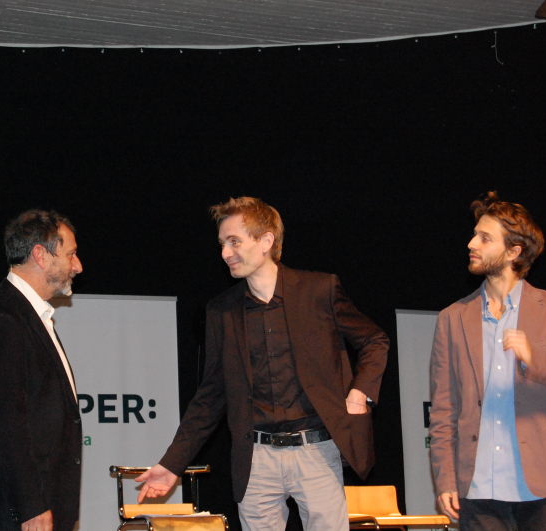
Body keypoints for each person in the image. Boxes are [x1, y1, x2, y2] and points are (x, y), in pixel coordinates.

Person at [136, 197, 389, 531]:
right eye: (222, 244)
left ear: (266, 241)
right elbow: (210, 397)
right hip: (255, 459)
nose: (225, 253)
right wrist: (172, 464)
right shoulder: (221, 311)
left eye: (234, 241)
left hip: (316, 451)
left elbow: (374, 340)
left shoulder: (319, 290)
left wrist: (359, 393)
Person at [429, 192, 546, 531]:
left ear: (514, 252)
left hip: (544, 480)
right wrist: (446, 478)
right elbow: (443, 408)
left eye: (485, 238)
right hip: (478, 485)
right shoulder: (453, 317)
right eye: (475, 235)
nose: (471, 244)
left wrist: (536, 359)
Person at [0, 210, 84, 531]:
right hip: (11, 515)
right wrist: (30, 505)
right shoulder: (3, 319)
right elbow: (4, 423)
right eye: (71, 254)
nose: (78, 266)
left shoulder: (27, 314)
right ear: (41, 255)